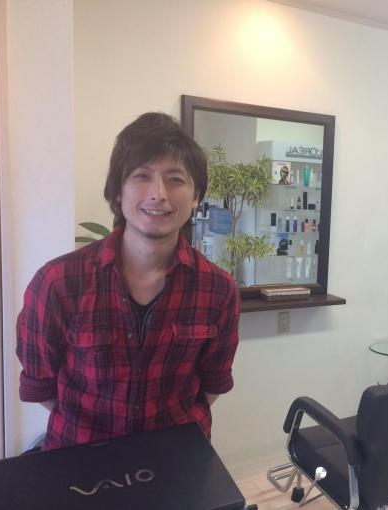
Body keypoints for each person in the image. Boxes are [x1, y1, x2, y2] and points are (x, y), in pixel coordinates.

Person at [16, 112, 240, 451]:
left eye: (176, 179)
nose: (158, 193)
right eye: (141, 176)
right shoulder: (58, 283)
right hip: (81, 459)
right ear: (118, 192)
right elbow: (41, 384)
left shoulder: (218, 289)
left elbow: (212, 383)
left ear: (196, 196)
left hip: (176, 458)